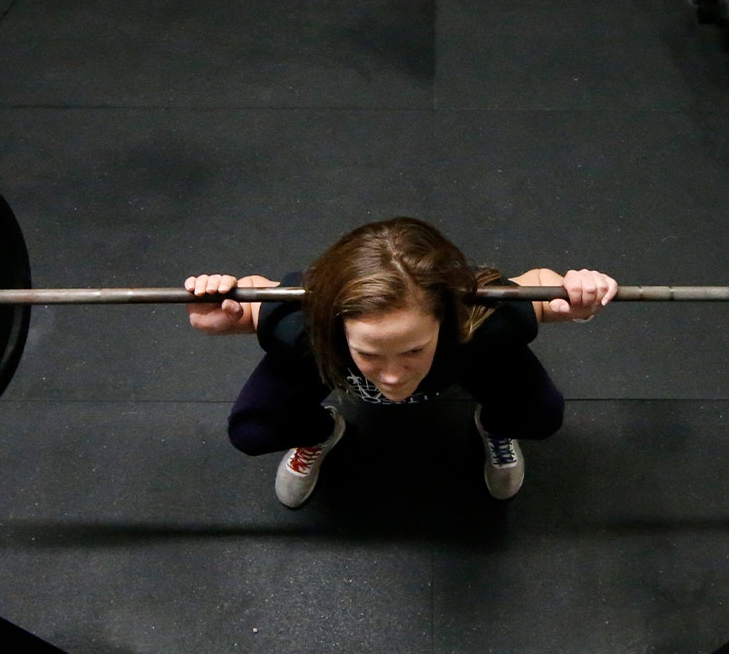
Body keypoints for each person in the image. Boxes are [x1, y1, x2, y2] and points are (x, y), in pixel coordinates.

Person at [185, 217, 617, 508]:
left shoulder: (480, 322)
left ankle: (493, 427)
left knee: (541, 416)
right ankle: (322, 432)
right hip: (324, 357)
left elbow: (540, 287)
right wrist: (219, 319)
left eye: (413, 350)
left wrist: (576, 294)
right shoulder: (304, 329)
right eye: (370, 354)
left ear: (446, 319)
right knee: (253, 430)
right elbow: (253, 297)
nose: (392, 377)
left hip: (466, 356)